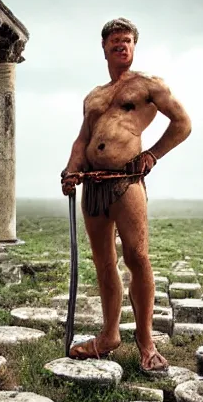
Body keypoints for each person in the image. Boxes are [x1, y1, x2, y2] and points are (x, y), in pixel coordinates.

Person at [61, 18, 192, 371]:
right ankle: (108, 336)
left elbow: (183, 123)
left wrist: (152, 156)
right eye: (116, 41)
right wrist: (72, 170)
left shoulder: (148, 86)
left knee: (137, 257)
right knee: (104, 262)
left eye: (129, 40)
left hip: (126, 182)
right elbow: (83, 139)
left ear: (135, 47)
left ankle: (147, 344)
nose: (122, 45)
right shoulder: (95, 96)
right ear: (104, 47)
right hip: (93, 184)